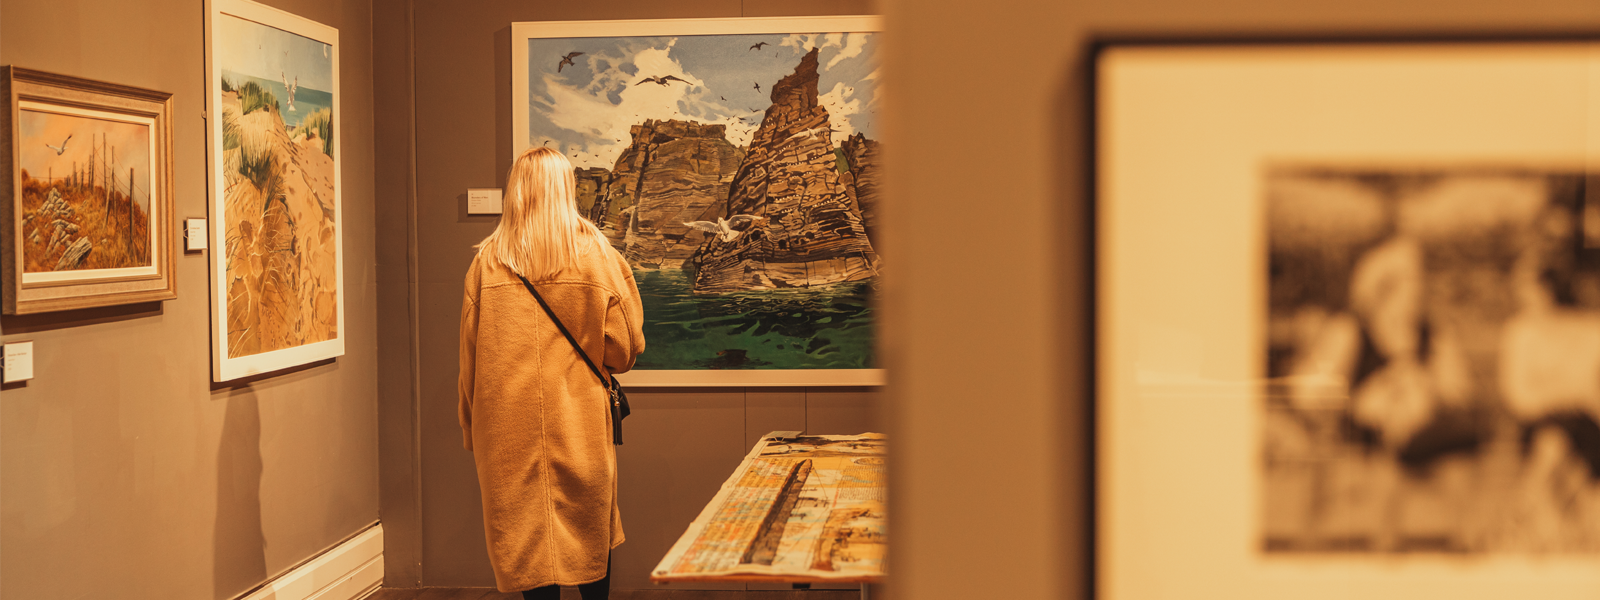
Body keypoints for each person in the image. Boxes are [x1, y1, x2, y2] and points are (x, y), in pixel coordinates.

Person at [458, 147, 646, 599]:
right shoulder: (598, 255)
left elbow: (469, 360)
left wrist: (470, 426)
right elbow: (625, 349)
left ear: (516, 192)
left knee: (526, 547)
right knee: (588, 532)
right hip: (577, 419)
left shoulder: (487, 262)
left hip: (505, 427)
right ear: (566, 189)